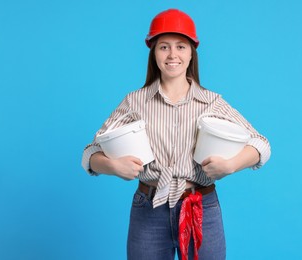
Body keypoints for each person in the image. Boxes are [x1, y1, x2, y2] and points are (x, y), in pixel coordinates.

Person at [81, 8, 271, 260]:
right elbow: (90, 153)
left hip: (200, 208)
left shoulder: (211, 103)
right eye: (164, 47)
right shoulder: (135, 102)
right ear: (154, 53)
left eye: (181, 47)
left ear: (192, 53)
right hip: (148, 209)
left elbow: (261, 145)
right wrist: (112, 166)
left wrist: (232, 164)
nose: (173, 55)